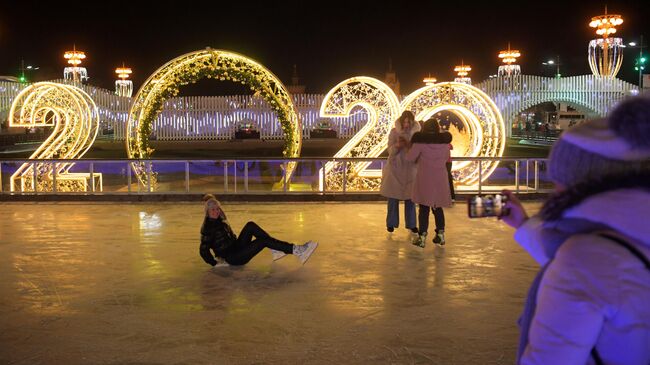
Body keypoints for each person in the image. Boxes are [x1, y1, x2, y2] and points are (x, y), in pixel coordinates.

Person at [499, 96, 650, 364]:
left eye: (560, 180)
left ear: (581, 180)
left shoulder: (587, 255)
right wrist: (524, 225)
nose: (555, 188)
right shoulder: (632, 233)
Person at [199, 195, 318, 266]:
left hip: (236, 247)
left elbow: (211, 201)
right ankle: (296, 250)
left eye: (217, 209)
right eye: (213, 210)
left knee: (250, 225)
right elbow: (203, 250)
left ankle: (276, 250)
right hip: (232, 258)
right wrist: (215, 263)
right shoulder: (208, 228)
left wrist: (210, 199)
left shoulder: (220, 219)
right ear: (208, 212)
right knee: (262, 241)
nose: (216, 211)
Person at [406, 118, 453, 247]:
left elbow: (410, 158)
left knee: (424, 208)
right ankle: (440, 235)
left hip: (425, 178)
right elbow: (445, 158)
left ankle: (422, 237)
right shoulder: (445, 144)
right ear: (437, 128)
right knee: (438, 207)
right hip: (440, 178)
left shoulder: (420, 143)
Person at [380, 110, 421, 233]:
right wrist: (397, 145)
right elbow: (390, 150)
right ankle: (391, 223)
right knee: (393, 198)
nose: (407, 125)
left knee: (411, 198)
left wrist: (409, 145)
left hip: (410, 168)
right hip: (395, 168)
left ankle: (412, 224)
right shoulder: (394, 132)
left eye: (409, 122)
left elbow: (418, 151)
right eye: (405, 122)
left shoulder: (416, 135)